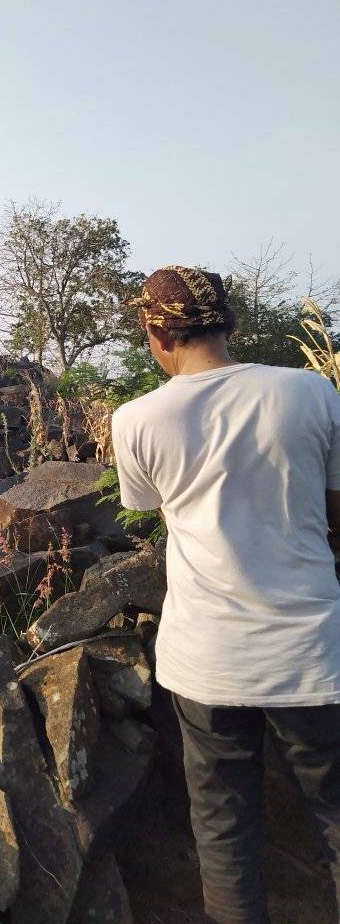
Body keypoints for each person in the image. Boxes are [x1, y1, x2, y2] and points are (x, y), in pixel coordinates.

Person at [111, 265, 340, 924]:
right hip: (312, 652)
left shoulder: (137, 420)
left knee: (225, 834)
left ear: (157, 332)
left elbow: (165, 518)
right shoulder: (309, 392)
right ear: (229, 324)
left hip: (207, 660)